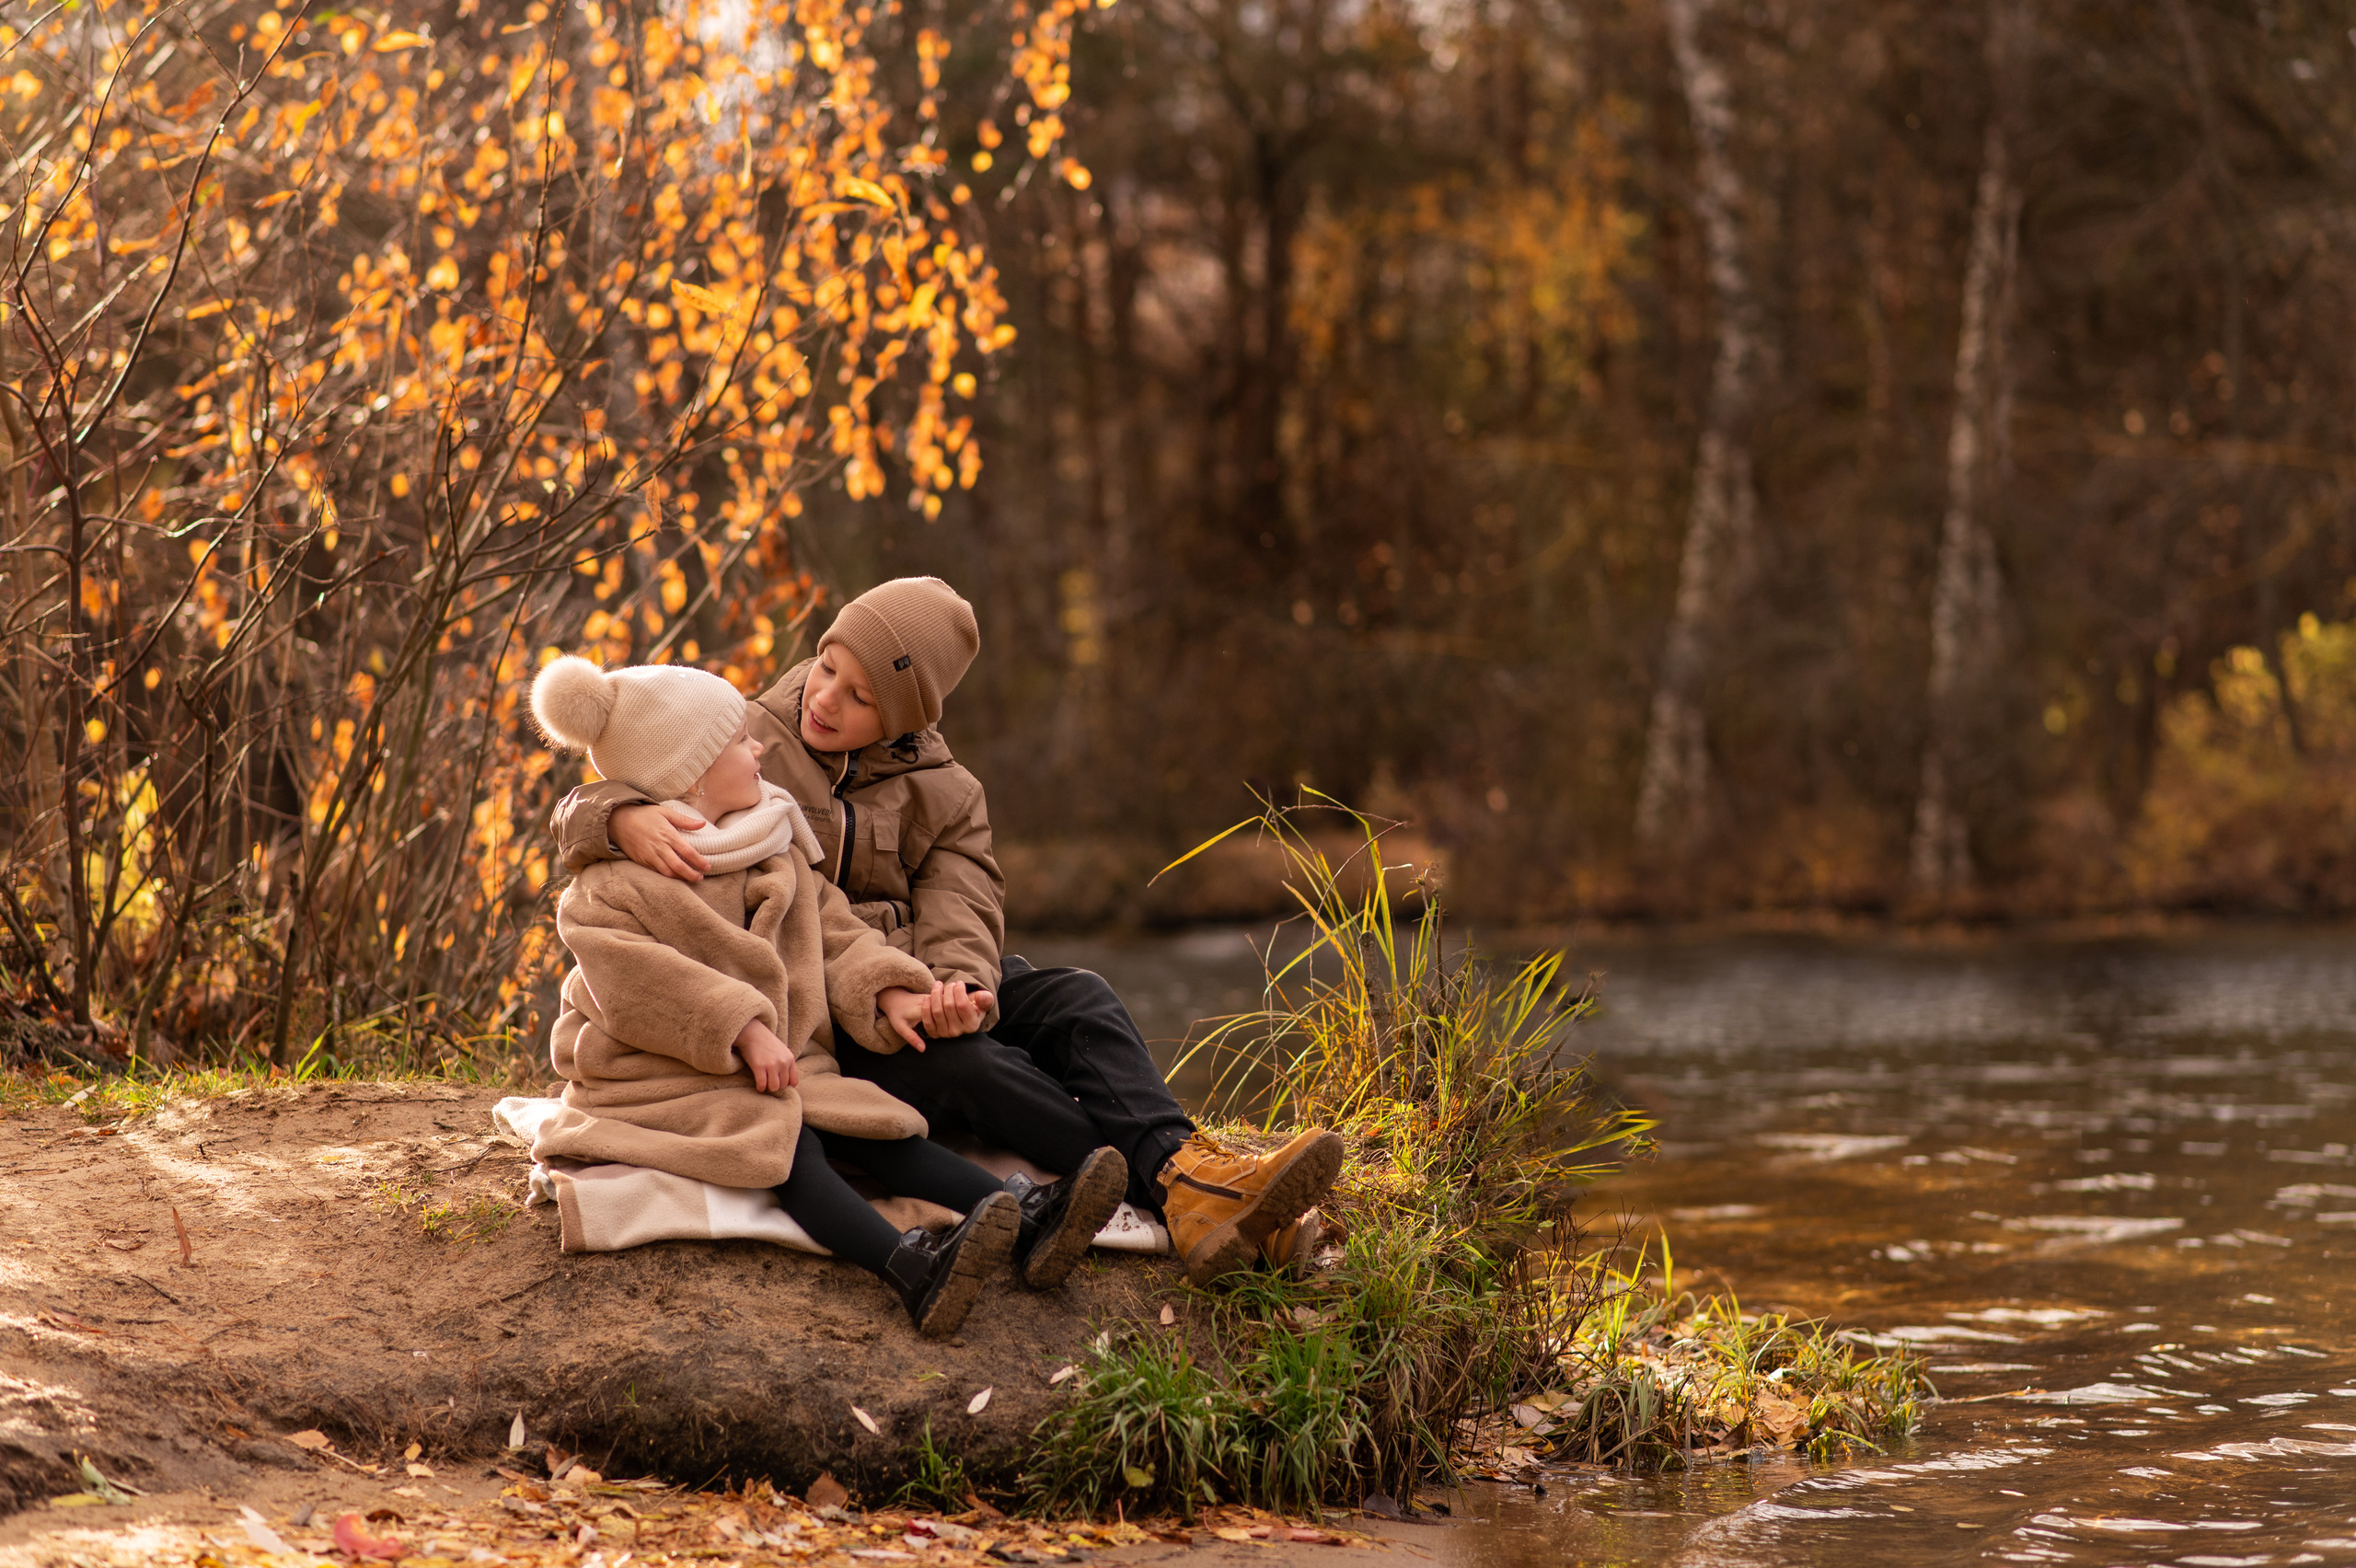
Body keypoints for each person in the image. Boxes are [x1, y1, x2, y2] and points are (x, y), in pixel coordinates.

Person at [551, 577, 1342, 1286]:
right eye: (828, 667)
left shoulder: (950, 792)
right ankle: (1182, 1195)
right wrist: (618, 815)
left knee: (1076, 996)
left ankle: (1192, 1171)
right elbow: (599, 783)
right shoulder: (746, 735)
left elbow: (966, 902)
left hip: (913, 981)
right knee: (972, 1067)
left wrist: (957, 983)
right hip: (825, 995)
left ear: (903, 716)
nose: (826, 700)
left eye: (860, 696)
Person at [526, 654, 1124, 1337]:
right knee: (788, 1147)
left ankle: (1028, 1218)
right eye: (737, 743)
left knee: (871, 1125)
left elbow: (836, 935)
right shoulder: (610, 886)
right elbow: (639, 985)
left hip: (782, 1062)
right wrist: (744, 1028)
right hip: (663, 1073)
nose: (758, 748)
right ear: (690, 774)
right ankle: (910, 1271)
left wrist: (891, 988)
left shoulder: (769, 843)